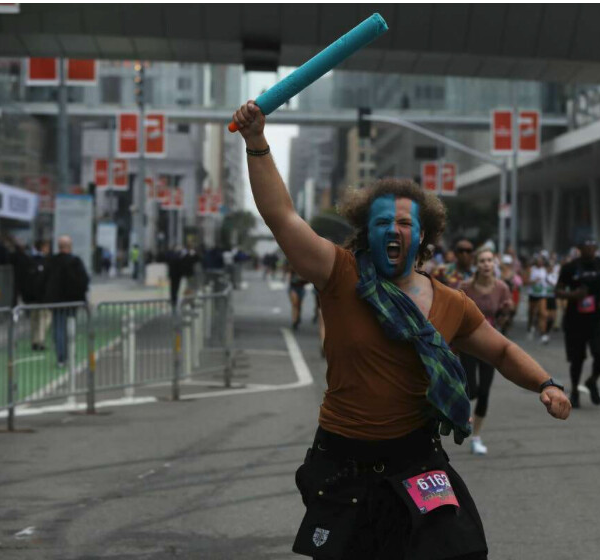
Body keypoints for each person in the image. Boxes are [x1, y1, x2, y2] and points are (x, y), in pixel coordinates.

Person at [232, 100, 570, 560]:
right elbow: (282, 216)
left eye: (405, 223)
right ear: (366, 232)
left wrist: (546, 384)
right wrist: (256, 142)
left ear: (423, 235)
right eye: (382, 222)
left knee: (460, 551)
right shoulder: (339, 273)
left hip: (417, 458)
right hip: (344, 461)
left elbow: (503, 351)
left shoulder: (452, 303)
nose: (393, 229)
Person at [460, 247, 514, 455]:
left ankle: (476, 437)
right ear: (476, 265)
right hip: (469, 343)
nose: (486, 264)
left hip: (491, 344)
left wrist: (506, 312)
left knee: (484, 392)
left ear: (494, 264)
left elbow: (505, 315)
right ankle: (460, 413)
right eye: (482, 261)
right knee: (471, 390)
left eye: (490, 260)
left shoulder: (501, 287)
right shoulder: (465, 287)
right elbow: (456, 311)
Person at [556, 238, 600, 409]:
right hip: (575, 319)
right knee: (577, 359)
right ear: (580, 249)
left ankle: (592, 381)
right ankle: (575, 391)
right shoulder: (570, 267)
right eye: (586, 247)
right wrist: (573, 295)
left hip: (597, 318)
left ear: (596, 248)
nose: (590, 250)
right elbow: (558, 291)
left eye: (592, 247)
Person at [43, 236, 90, 367]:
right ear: (70, 246)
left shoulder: (52, 261)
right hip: (72, 301)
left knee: (58, 328)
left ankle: (61, 357)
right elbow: (84, 280)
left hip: (57, 302)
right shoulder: (75, 261)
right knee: (70, 328)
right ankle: (69, 354)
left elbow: (43, 280)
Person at [24, 240, 51, 350]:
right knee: (44, 318)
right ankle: (40, 340)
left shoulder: (30, 260)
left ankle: (35, 340)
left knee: (34, 319)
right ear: (43, 247)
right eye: (47, 247)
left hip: (32, 297)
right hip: (42, 297)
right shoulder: (45, 262)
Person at [526, 253, 547, 340]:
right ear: (536, 262)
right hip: (532, 294)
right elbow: (525, 281)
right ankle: (530, 326)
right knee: (532, 312)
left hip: (542, 294)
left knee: (543, 313)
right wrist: (534, 281)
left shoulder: (545, 270)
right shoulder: (531, 269)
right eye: (539, 261)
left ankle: (543, 332)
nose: (540, 263)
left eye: (542, 261)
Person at [287, 264, 309, 331]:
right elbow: (289, 275)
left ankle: (298, 317)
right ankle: (294, 321)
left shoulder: (305, 267)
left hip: (301, 288)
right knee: (295, 304)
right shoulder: (293, 266)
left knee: (299, 305)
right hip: (293, 287)